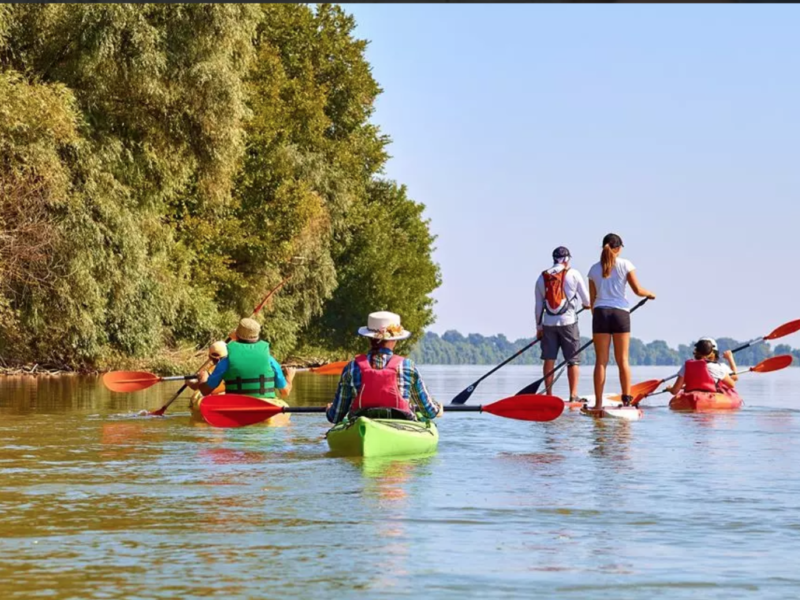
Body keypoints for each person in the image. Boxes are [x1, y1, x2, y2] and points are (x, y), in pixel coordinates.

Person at [326, 311, 443, 424]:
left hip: (360, 423)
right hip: (402, 425)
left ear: (369, 338)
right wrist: (438, 409)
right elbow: (429, 412)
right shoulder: (408, 366)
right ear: (394, 340)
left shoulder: (351, 367)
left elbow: (335, 417)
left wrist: (329, 410)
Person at [587, 233, 656, 409]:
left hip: (600, 314)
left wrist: (598, 316)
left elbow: (592, 301)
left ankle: (599, 403)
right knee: (623, 359)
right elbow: (638, 290)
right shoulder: (626, 264)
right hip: (620, 314)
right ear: (618, 248)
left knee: (600, 361)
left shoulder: (593, 269)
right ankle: (627, 401)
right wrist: (650, 293)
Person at [534, 246, 591, 402]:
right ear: (566, 259)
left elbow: (539, 307)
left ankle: (548, 395)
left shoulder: (542, 277)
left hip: (548, 324)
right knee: (573, 360)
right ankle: (573, 395)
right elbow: (587, 300)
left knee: (549, 359)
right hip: (569, 322)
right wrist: (586, 306)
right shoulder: (573, 274)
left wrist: (539, 329)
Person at [188, 318, 295, 401]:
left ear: (237, 338)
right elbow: (285, 392)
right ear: (257, 338)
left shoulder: (226, 362)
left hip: (235, 406)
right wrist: (289, 378)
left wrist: (203, 378)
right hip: (264, 404)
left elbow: (205, 391)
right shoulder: (270, 361)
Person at [666, 338, 738, 396]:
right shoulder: (718, 367)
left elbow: (675, 391)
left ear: (696, 351)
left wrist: (670, 389)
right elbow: (732, 384)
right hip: (710, 397)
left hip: (690, 397)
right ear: (712, 352)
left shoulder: (686, 366)